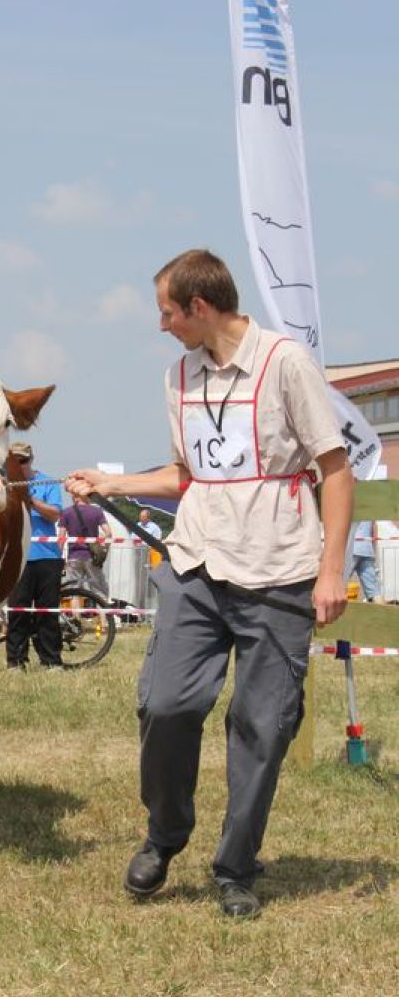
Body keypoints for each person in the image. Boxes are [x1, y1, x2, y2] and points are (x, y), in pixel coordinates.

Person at [68, 249, 353, 919]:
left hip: (279, 570)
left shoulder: (285, 364)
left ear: (199, 306)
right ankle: (165, 835)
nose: (161, 323)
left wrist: (332, 569)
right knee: (164, 703)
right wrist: (111, 482)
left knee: (263, 725)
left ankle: (235, 868)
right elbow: (187, 474)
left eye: (167, 310)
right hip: (196, 563)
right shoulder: (178, 377)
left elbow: (334, 469)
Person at [6, 441, 64, 670]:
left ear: (31, 460)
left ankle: (51, 661)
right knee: (18, 611)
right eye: (15, 461)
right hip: (17, 557)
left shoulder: (47, 482)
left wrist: (30, 500)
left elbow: (55, 515)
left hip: (47, 557)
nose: (19, 465)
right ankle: (16, 661)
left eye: (23, 460)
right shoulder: (4, 484)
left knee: (47, 612)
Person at [58, 492, 112, 598]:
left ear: (74, 497)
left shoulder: (66, 512)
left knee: (73, 591)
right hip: (92, 557)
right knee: (98, 590)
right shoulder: (97, 511)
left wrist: (59, 556)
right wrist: (103, 547)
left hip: (74, 556)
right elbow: (108, 533)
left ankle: (75, 615)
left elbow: (61, 537)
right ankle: (103, 614)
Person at [348, 520, 383, 603]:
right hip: (367, 549)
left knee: (339, 583)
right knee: (374, 591)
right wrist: (373, 552)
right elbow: (374, 530)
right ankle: (382, 613)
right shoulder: (370, 511)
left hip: (350, 549)